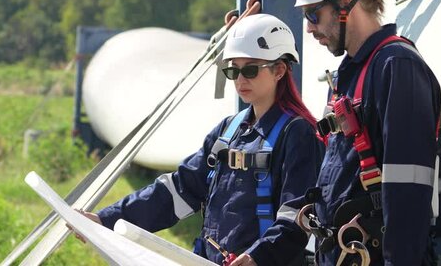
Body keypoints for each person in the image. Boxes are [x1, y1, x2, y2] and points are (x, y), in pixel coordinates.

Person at [75, 13, 323, 266]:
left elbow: (297, 216)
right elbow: (179, 190)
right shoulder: (229, 131)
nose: (240, 79)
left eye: (250, 69)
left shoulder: (298, 133)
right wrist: (107, 220)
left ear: (279, 70)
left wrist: (257, 258)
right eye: (232, 70)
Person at [288, 0, 441, 265]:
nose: (309, 28)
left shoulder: (396, 67)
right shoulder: (349, 75)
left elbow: (408, 190)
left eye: (313, 14)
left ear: (345, 4)